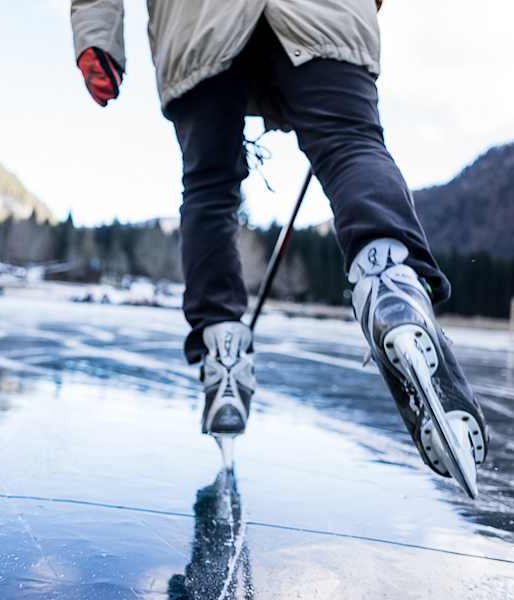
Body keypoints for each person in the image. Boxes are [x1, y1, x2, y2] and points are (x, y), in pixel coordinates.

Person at [71, 0, 489, 490]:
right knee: (350, 142)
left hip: (196, 20)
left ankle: (221, 344)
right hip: (324, 9)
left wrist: (96, 37)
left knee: (209, 187)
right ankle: (390, 281)